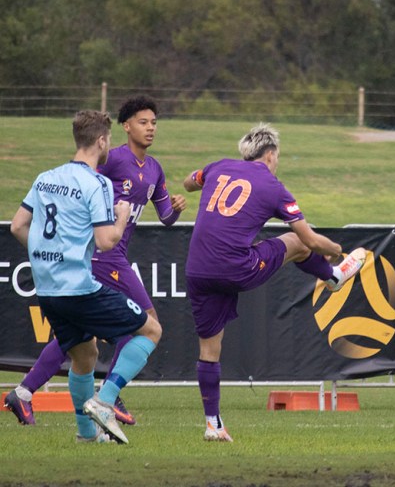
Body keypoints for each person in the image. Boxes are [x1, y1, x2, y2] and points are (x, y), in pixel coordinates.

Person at [4, 96, 185, 427]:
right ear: (123, 128)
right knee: (148, 323)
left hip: (98, 259)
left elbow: (166, 218)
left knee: (80, 343)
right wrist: (113, 220)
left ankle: (27, 392)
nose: (150, 128)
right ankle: (109, 395)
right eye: (143, 122)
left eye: (154, 122)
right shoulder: (110, 162)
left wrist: (176, 208)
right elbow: (82, 187)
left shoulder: (155, 169)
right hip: (104, 254)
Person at [183, 123, 366, 442]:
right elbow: (308, 238)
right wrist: (337, 251)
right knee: (296, 243)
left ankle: (213, 424)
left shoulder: (218, 167)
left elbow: (189, 182)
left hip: (197, 270)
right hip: (233, 267)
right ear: (270, 155)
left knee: (210, 350)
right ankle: (334, 277)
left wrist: (199, 183)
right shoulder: (272, 184)